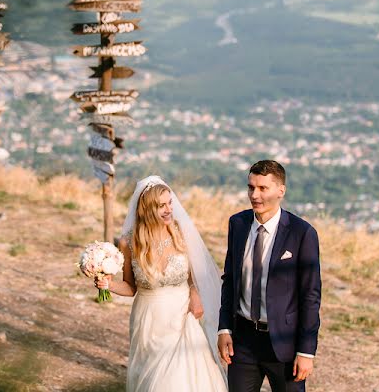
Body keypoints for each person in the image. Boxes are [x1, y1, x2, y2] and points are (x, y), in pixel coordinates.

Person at [95, 175, 227, 391]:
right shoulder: (128, 242)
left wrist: (195, 295)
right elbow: (130, 287)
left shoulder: (180, 232)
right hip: (150, 320)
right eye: (160, 206)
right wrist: (107, 284)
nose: (168, 210)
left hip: (183, 316)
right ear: (147, 209)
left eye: (169, 203)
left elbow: (195, 275)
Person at [218, 160, 321, 392]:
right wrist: (224, 328)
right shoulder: (238, 223)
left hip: (284, 345)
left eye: (263, 188)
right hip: (242, 341)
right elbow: (230, 280)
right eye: (251, 187)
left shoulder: (302, 233)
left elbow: (310, 297)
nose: (255, 195)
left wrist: (306, 351)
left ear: (281, 191)